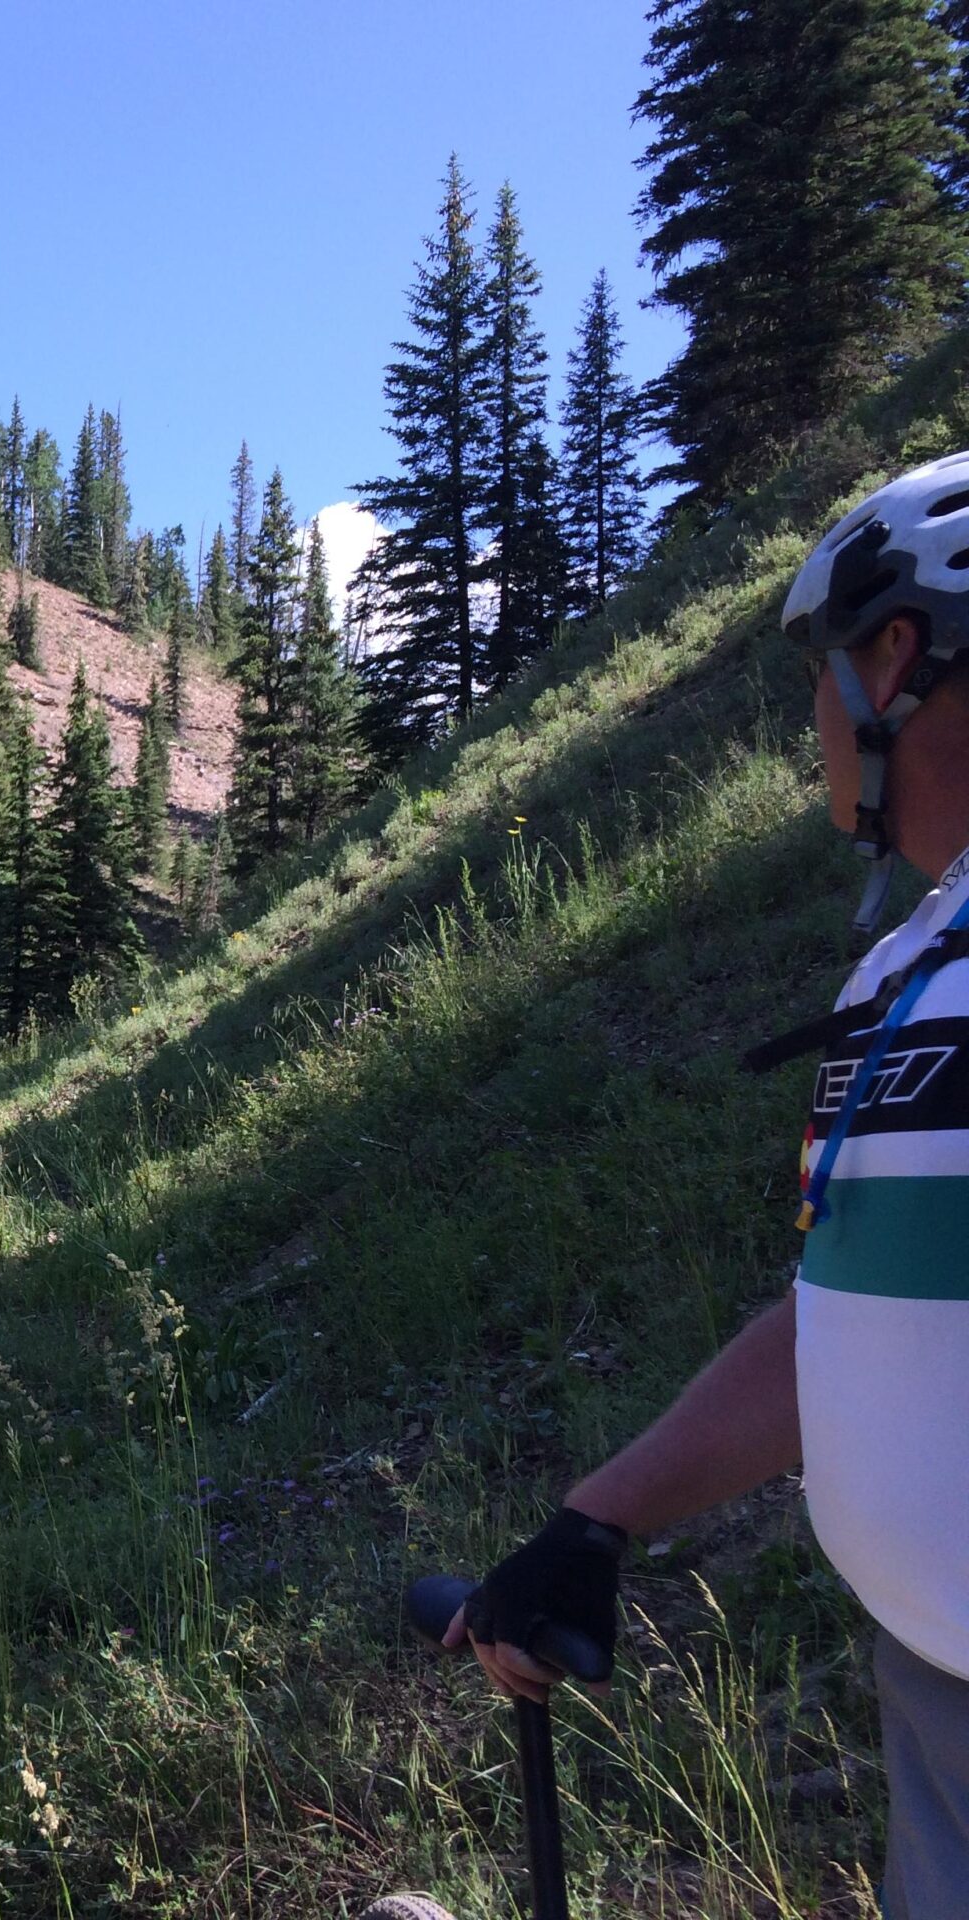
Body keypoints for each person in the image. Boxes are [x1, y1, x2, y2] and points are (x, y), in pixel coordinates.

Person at [448, 452, 969, 1918]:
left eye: (819, 674)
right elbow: (847, 1317)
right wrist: (601, 1519)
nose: (813, 724)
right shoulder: (902, 971)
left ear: (895, 658)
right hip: (929, 1695)